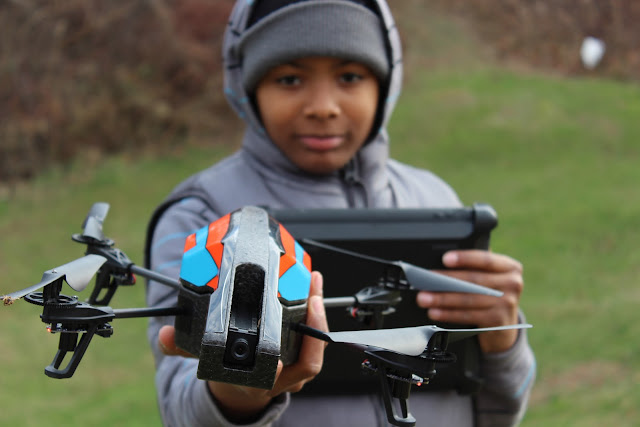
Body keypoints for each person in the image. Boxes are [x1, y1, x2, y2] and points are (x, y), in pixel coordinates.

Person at [145, 0, 536, 425]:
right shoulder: (200, 219)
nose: (323, 107)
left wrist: (503, 341)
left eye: (350, 76)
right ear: (249, 87)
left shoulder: (436, 201)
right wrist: (236, 393)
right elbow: (180, 410)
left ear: (385, 83)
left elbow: (498, 413)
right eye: (290, 79)